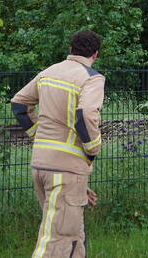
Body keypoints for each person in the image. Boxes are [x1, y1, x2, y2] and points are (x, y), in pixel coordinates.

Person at [10, 30, 105, 258]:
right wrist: (93, 149)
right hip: (66, 170)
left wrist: (37, 135)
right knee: (58, 240)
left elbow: (19, 105)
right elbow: (86, 115)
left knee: (73, 237)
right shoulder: (91, 78)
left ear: (70, 49)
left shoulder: (48, 73)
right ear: (96, 54)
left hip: (42, 166)